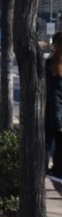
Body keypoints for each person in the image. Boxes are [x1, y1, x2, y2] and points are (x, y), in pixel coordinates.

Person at [45, 31, 62, 193]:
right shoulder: (52, 65)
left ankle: (53, 173)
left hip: (50, 114)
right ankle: (56, 173)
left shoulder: (50, 64)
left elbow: (54, 95)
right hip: (54, 114)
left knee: (46, 144)